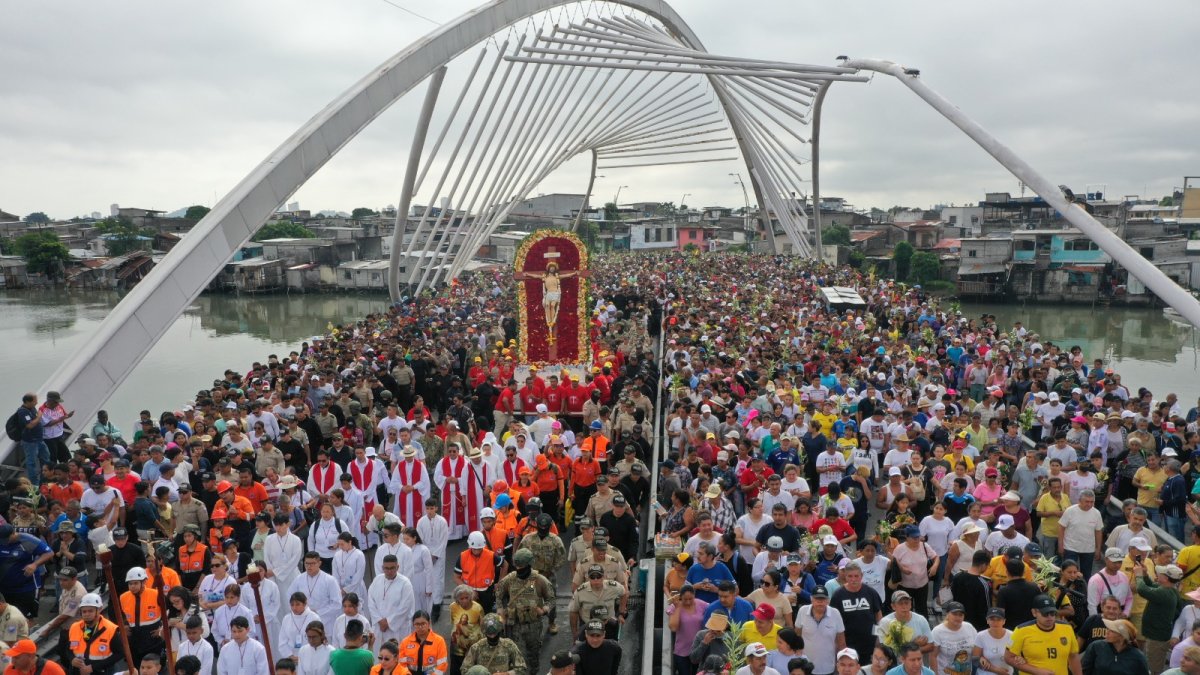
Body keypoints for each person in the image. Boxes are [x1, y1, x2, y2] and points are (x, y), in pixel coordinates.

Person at [495, 548, 554, 674]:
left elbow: (551, 599)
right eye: (517, 565)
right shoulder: (510, 579)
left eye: (521, 565)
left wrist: (544, 610)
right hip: (515, 625)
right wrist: (501, 613)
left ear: (529, 564)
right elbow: (499, 595)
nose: (518, 568)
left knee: (534, 655)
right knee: (518, 657)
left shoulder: (539, 580)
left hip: (533, 624)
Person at [1004, 594, 1082, 675]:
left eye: (1052, 613)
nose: (1049, 617)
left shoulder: (1067, 628)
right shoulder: (1021, 630)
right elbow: (1008, 657)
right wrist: (1036, 671)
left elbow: (1073, 656)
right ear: (1034, 612)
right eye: (1045, 613)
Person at [1136, 562, 1186, 673]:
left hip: (1156, 639)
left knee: (1153, 669)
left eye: (1161, 574)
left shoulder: (1165, 593)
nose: (1158, 574)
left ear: (1166, 578)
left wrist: (1138, 575)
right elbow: (1151, 586)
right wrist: (1145, 575)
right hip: (1159, 636)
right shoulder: (1170, 590)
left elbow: (1142, 590)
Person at [0, 524, 53, 618]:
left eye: (6, 539)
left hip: (26, 587)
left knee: (26, 618)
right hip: (4, 588)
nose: (5, 543)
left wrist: (35, 564)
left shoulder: (27, 540)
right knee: (6, 617)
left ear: (13, 533)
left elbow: (49, 553)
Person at [368, 554, 415, 655]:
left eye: (392, 568)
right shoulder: (377, 580)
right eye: (386, 568)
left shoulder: (405, 583)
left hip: (397, 627)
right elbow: (371, 602)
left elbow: (405, 607)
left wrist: (388, 622)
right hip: (379, 626)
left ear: (397, 567)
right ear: (382, 568)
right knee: (379, 656)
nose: (389, 571)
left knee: (397, 655)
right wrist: (379, 620)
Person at [797, 586, 845, 675]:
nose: (820, 602)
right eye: (817, 599)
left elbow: (841, 642)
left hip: (828, 667)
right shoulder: (802, 611)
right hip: (806, 667)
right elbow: (797, 636)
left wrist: (842, 663)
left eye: (823, 599)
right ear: (811, 599)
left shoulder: (835, 613)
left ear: (828, 600)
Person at [288, 552, 342, 630]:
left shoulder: (329, 580)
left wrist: (318, 612)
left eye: (312, 563)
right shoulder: (299, 579)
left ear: (319, 563)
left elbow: (337, 604)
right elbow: (290, 596)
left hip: (325, 621)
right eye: (306, 563)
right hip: (304, 619)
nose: (309, 566)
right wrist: (301, 610)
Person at [68, 594, 120, 675]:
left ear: (99, 609)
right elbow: (67, 649)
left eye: (90, 611)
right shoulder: (75, 627)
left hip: (102, 672)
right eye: (84, 611)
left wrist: (93, 667)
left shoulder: (110, 629)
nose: (87, 614)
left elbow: (119, 654)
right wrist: (72, 659)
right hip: (78, 671)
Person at [1080, 618, 1148, 675]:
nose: (1107, 632)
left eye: (1112, 631)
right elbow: (1083, 671)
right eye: (1108, 629)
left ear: (1122, 637)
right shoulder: (1095, 647)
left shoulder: (1138, 657)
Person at [461, 614, 526, 675]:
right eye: (489, 634)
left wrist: (506, 674)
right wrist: (478, 672)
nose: (492, 637)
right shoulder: (477, 647)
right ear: (485, 633)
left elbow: (522, 669)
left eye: (494, 634)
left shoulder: (509, 645)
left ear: (499, 631)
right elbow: (464, 670)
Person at [397, 610, 449, 675]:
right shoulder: (405, 642)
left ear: (429, 623)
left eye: (423, 623)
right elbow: (401, 664)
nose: (420, 627)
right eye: (417, 624)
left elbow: (442, 664)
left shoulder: (439, 641)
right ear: (413, 625)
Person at [972, 608, 1013, 675]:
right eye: (992, 619)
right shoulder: (980, 636)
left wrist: (1020, 659)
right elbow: (975, 659)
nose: (995, 622)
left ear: (1004, 621)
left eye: (999, 619)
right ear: (987, 620)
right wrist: (996, 670)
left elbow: (1016, 655)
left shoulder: (1012, 635)